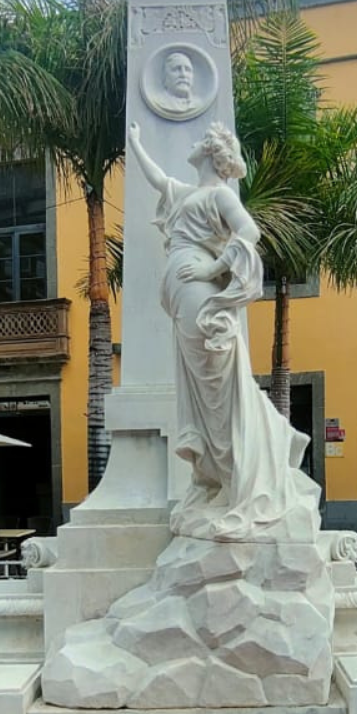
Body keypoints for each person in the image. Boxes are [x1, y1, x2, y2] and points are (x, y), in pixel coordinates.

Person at [125, 119, 320, 542]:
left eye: (202, 141)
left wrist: (213, 267)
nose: (194, 143)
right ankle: (221, 478)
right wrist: (135, 142)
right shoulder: (187, 193)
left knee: (217, 394)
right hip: (183, 296)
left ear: (213, 153)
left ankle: (240, 479)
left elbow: (250, 230)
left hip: (199, 297)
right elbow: (157, 178)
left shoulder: (219, 195)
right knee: (205, 395)